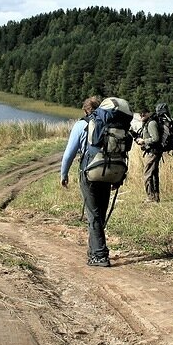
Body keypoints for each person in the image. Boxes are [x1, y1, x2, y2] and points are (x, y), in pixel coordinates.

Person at [60, 96, 113, 267]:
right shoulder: (108, 124)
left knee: (93, 214)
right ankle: (94, 250)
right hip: (107, 172)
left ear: (85, 110)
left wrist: (64, 174)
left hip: (89, 174)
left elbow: (69, 154)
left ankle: (100, 255)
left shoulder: (81, 125)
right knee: (100, 212)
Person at [135, 106, 163, 202]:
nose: (141, 116)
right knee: (154, 174)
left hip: (152, 152)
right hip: (153, 151)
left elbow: (155, 138)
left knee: (147, 174)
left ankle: (150, 197)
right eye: (140, 114)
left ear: (147, 113)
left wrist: (144, 141)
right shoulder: (149, 122)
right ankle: (155, 197)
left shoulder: (151, 123)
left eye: (143, 114)